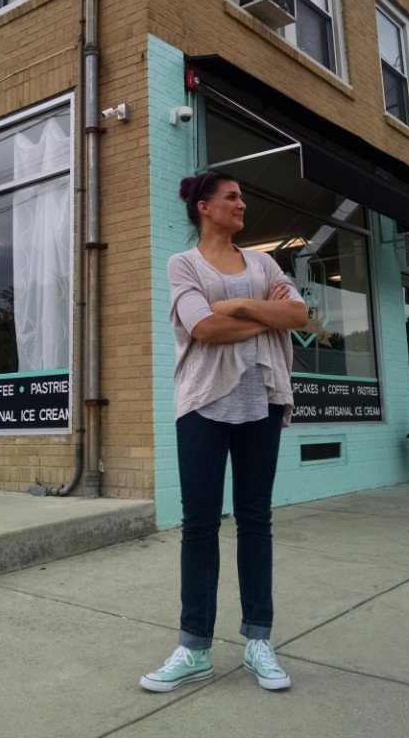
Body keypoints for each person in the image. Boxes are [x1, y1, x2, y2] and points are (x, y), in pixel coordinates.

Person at [140, 171, 307, 694]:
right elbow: (202, 329)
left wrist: (235, 305)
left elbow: (300, 314)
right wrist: (267, 315)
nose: (242, 203)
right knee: (200, 525)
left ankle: (259, 640)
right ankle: (194, 647)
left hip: (262, 400)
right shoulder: (182, 264)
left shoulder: (263, 262)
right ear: (205, 207)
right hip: (202, 405)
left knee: (256, 521)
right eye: (232, 196)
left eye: (242, 196)